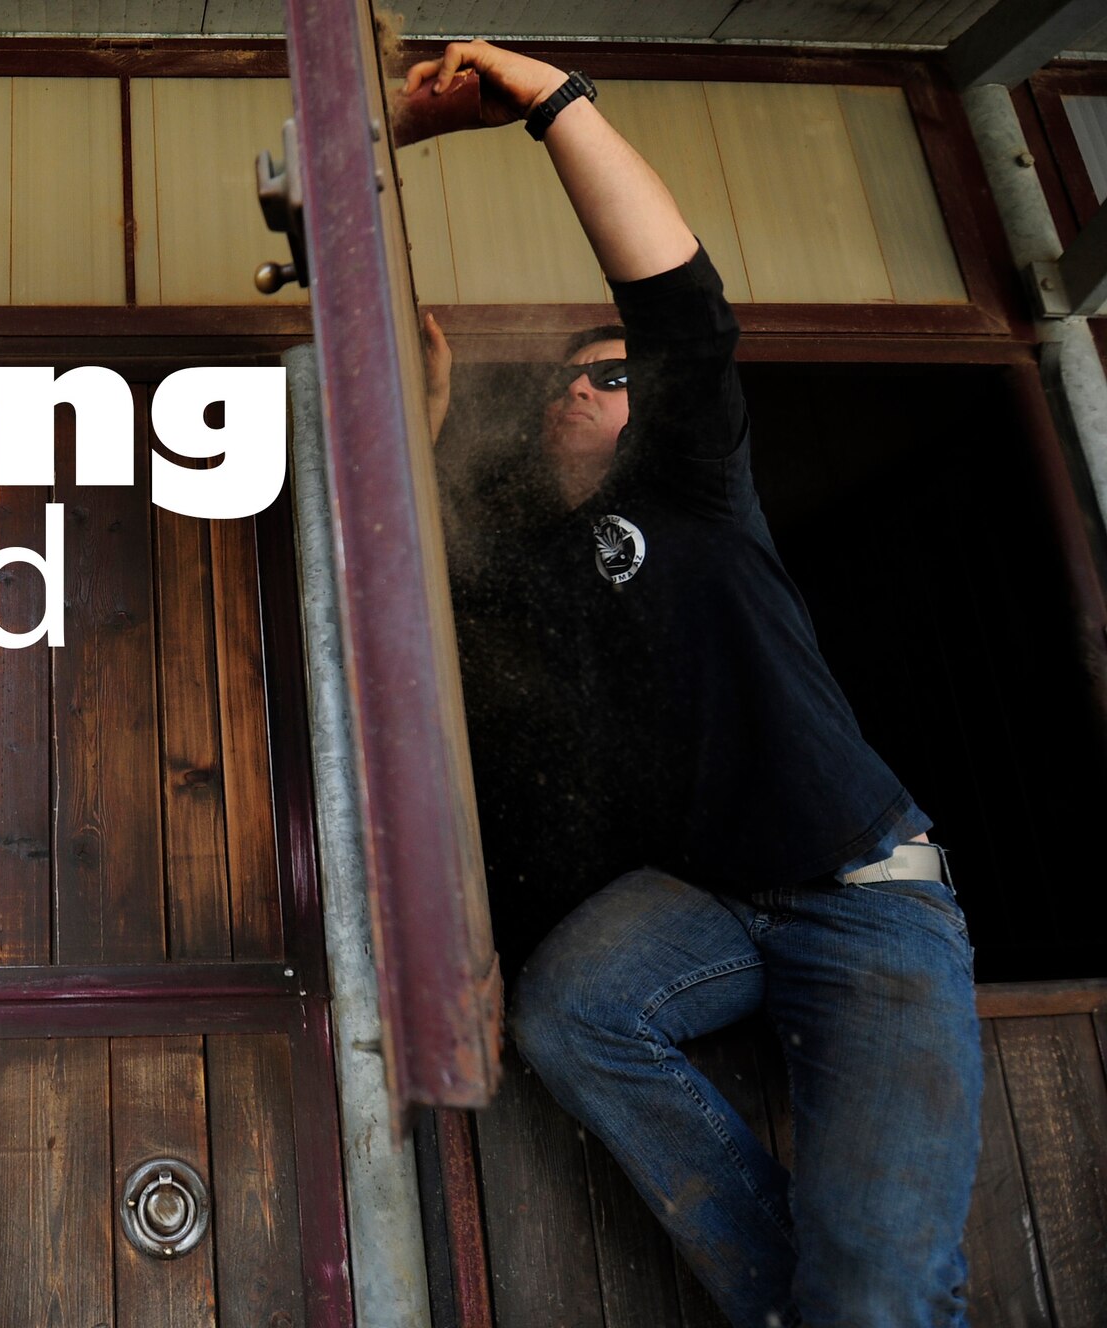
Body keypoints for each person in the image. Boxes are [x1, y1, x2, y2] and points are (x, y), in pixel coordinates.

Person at [399, 41, 983, 1328]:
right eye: (590, 376)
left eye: (624, 379)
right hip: (705, 900)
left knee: (881, 1292)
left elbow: (679, 309)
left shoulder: (692, 490)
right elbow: (410, 594)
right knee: (569, 1013)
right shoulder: (537, 565)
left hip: (861, 895)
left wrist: (549, 104)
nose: (611, 390)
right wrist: (423, 418)